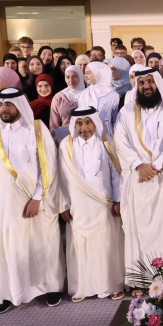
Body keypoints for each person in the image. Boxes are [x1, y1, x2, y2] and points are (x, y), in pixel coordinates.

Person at [0, 88, 64, 313]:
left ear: (20, 106)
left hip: (35, 203)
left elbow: (48, 167)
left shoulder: (37, 130)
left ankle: (49, 288)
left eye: (9, 105)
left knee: (42, 244)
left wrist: (37, 198)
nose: (4, 109)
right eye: (1, 105)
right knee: (1, 248)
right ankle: (4, 292)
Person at [113, 69, 163, 289]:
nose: (146, 86)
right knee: (139, 231)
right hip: (138, 181)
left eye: (150, 82)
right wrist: (139, 165)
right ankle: (141, 280)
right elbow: (120, 141)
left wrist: (155, 166)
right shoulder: (126, 111)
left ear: (158, 83)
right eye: (142, 83)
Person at [58, 107, 126, 302]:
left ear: (95, 123)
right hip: (78, 205)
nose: (84, 127)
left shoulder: (106, 143)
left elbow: (116, 174)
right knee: (82, 245)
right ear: (74, 126)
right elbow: (62, 178)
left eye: (88, 123)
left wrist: (118, 199)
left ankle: (111, 284)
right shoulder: (66, 146)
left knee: (106, 244)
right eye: (79, 123)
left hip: (103, 203)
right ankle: (83, 287)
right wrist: (63, 205)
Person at [79, 61, 120, 129]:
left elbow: (114, 120)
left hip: (106, 136)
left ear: (99, 73)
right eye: (85, 73)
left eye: (88, 73)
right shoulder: (84, 94)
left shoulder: (113, 95)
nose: (85, 76)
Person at [49, 65, 85, 131]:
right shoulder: (59, 97)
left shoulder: (88, 95)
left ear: (80, 77)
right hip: (65, 138)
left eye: (74, 77)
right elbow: (54, 124)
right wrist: (55, 141)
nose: (71, 80)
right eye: (68, 77)